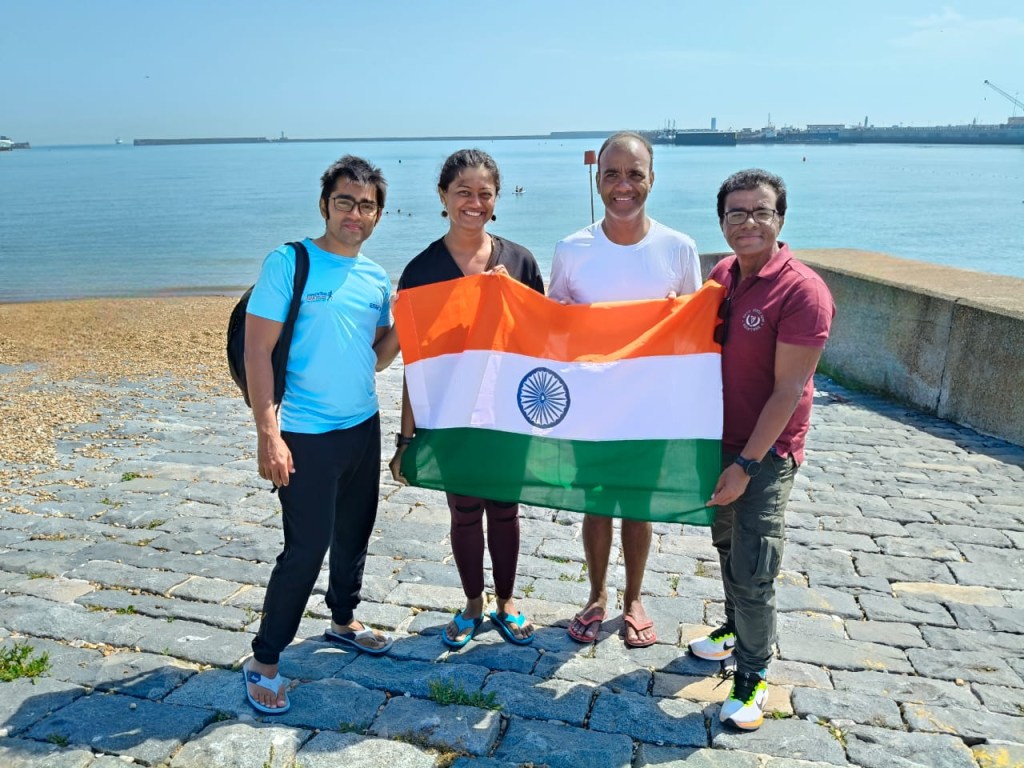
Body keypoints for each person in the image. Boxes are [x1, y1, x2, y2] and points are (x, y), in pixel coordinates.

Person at [241, 155, 396, 715]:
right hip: (305, 434)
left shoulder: (375, 277)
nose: (355, 213)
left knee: (354, 533)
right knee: (305, 548)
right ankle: (264, 660)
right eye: (345, 202)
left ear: (378, 214)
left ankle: (342, 620)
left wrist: (407, 329)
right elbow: (257, 349)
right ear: (325, 204)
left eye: (367, 205)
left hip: (362, 426)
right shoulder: (290, 262)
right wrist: (269, 434)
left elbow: (376, 356)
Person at [688, 169, 835, 731]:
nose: (748, 223)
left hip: (765, 454)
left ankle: (753, 675)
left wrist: (747, 465)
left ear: (780, 219)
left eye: (761, 212)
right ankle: (733, 629)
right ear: (722, 222)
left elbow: (788, 390)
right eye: (736, 213)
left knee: (754, 565)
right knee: (726, 543)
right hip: (718, 443)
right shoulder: (724, 273)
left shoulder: (803, 291)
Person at [548, 131, 701, 648]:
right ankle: (595, 596)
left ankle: (634, 597)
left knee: (638, 505)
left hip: (651, 407)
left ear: (651, 179)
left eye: (634, 174)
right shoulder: (571, 250)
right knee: (596, 502)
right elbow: (552, 328)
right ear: (598, 179)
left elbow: (694, 337)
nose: (623, 185)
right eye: (612, 174)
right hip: (593, 404)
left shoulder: (679, 248)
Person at [389, 149, 545, 648]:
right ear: (443, 196)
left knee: (504, 509)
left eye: (484, 194)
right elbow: (417, 363)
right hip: (451, 414)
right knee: (463, 511)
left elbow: (544, 344)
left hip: (508, 414)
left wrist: (510, 303)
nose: (473, 203)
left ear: (496, 200)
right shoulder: (421, 272)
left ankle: (506, 603)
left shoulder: (519, 261)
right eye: (463, 192)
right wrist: (406, 437)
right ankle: (473, 605)